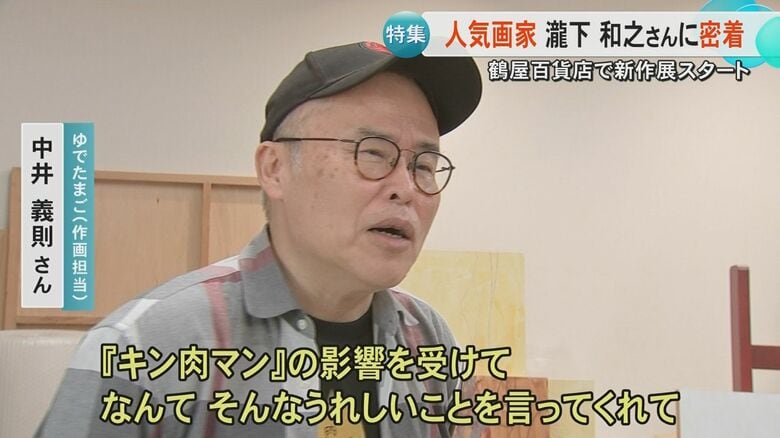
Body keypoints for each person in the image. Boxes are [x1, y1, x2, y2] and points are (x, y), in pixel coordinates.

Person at [36, 41, 482, 438]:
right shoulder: (143, 345)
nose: (406, 187)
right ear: (274, 169)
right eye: (373, 154)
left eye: (424, 166)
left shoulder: (429, 340)